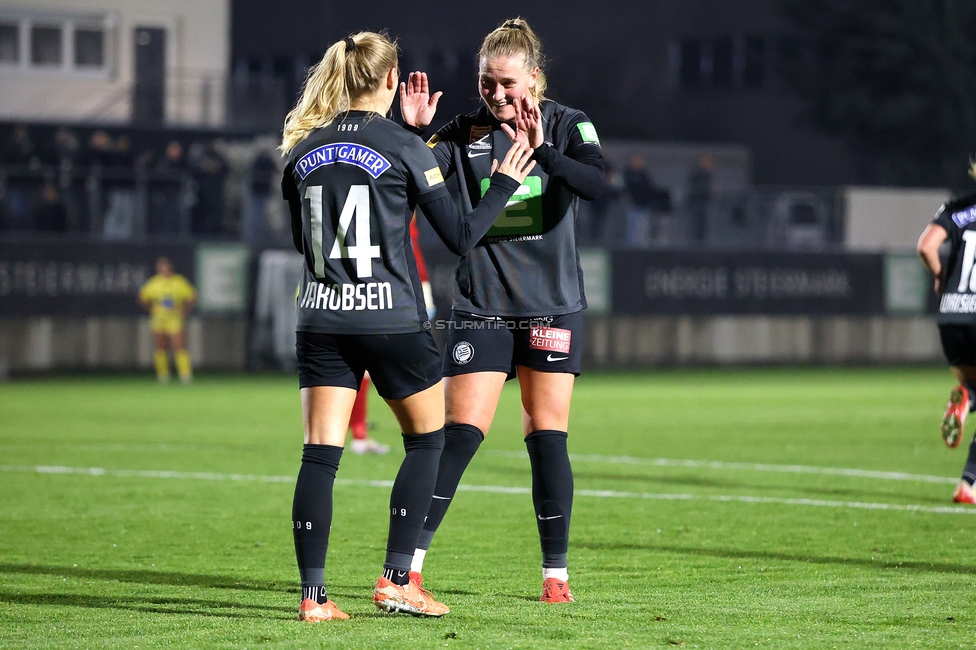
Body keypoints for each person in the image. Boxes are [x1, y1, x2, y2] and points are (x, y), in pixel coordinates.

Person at [279, 31, 535, 622]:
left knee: (320, 454)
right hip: (391, 319)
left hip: (321, 320)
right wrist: (503, 184)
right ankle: (397, 580)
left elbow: (304, 241)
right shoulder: (407, 146)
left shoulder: (301, 150)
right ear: (392, 82)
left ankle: (313, 598)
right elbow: (461, 236)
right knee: (427, 440)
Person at [400, 17, 605, 603]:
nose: (497, 95)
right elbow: (408, 173)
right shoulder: (462, 133)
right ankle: (410, 565)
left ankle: (555, 575)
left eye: (508, 83)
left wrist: (543, 153)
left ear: (535, 77)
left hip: (551, 307)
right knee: (458, 434)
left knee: (547, 436)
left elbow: (593, 182)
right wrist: (409, 133)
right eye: (488, 83)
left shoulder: (568, 124)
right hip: (483, 304)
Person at [348, 218, 435, 456]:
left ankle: (358, 428)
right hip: (395, 283)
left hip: (404, 280)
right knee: (385, 360)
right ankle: (359, 431)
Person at [917, 159, 976, 504]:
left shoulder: (956, 209)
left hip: (952, 317)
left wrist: (940, 276)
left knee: (972, 386)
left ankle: (968, 487)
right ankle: (969, 481)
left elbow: (926, 246)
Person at [138, 257, 197, 383]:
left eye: (165, 267)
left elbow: (192, 296)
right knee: (161, 346)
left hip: (174, 319)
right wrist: (152, 308)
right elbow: (143, 297)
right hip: (159, 319)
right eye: (160, 267)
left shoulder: (178, 282)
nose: (163, 269)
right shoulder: (154, 283)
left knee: (179, 345)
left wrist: (184, 310)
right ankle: (163, 375)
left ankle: (185, 375)